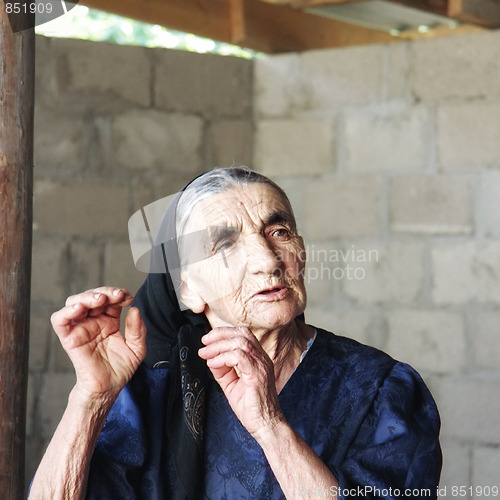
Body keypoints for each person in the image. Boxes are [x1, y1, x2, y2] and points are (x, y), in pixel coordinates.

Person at [29, 167, 441, 499]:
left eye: (278, 232)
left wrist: (270, 425)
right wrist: (91, 398)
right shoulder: (152, 393)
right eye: (224, 245)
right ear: (187, 288)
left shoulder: (380, 389)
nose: (267, 260)